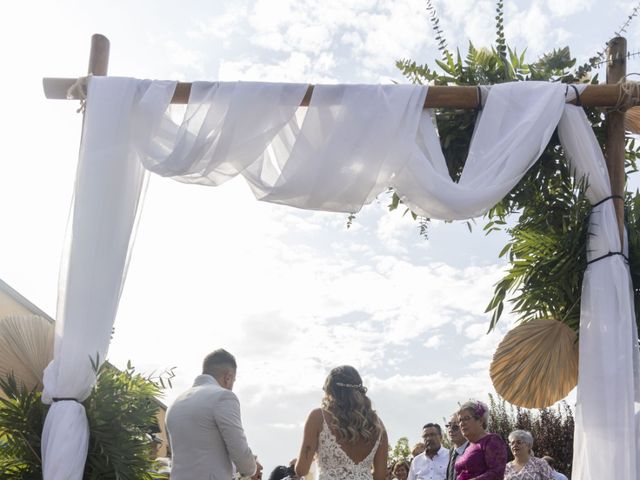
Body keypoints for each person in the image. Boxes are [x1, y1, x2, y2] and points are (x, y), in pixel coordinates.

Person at [166, 349, 256, 480]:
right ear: (228, 377)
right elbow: (242, 457)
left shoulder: (174, 404)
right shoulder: (223, 396)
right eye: (233, 381)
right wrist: (251, 466)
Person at [295, 365, 389, 480]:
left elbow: (301, 469)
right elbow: (380, 476)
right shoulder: (377, 425)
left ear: (330, 390)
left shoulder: (319, 417)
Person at [454, 400, 508, 480]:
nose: (462, 423)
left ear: (480, 420)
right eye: (460, 420)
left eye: (466, 418)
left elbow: (497, 473)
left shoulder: (492, 440)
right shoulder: (469, 447)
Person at [445, 414, 468, 480]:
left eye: (455, 427)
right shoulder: (451, 452)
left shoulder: (474, 450)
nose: (450, 430)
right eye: (448, 425)